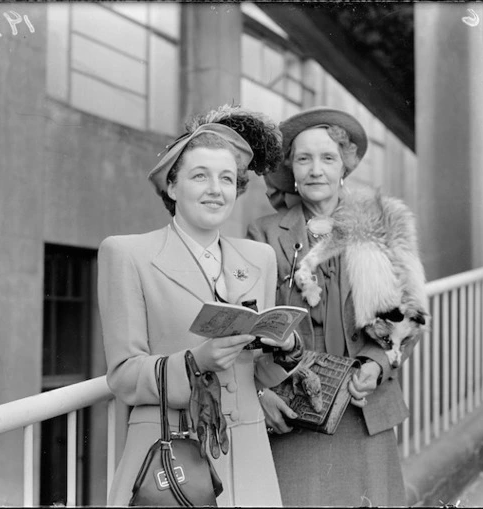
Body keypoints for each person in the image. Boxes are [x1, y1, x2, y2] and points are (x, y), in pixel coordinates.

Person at [98, 106, 304, 506]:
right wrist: (196, 361)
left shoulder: (258, 257)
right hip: (171, 449)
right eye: (200, 176)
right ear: (172, 188)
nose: (216, 189)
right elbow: (123, 375)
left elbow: (256, 371)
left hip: (247, 450)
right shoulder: (128, 253)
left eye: (227, 178)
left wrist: (286, 349)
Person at [247, 107, 420, 506]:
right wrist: (264, 389)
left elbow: (409, 312)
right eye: (303, 158)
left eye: (328, 158)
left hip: (365, 405)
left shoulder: (382, 222)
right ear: (290, 167)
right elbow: (253, 324)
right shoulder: (264, 232)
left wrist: (377, 363)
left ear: (346, 165)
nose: (315, 169)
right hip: (296, 406)